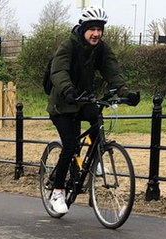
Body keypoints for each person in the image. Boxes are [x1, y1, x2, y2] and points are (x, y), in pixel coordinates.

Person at [46, 6, 140, 214]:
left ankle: (95, 158)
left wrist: (126, 92)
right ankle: (57, 192)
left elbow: (111, 70)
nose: (96, 33)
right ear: (83, 28)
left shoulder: (101, 49)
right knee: (69, 146)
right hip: (62, 103)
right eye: (92, 29)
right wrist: (68, 89)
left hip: (83, 99)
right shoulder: (68, 46)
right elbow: (59, 71)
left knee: (97, 118)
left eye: (100, 29)